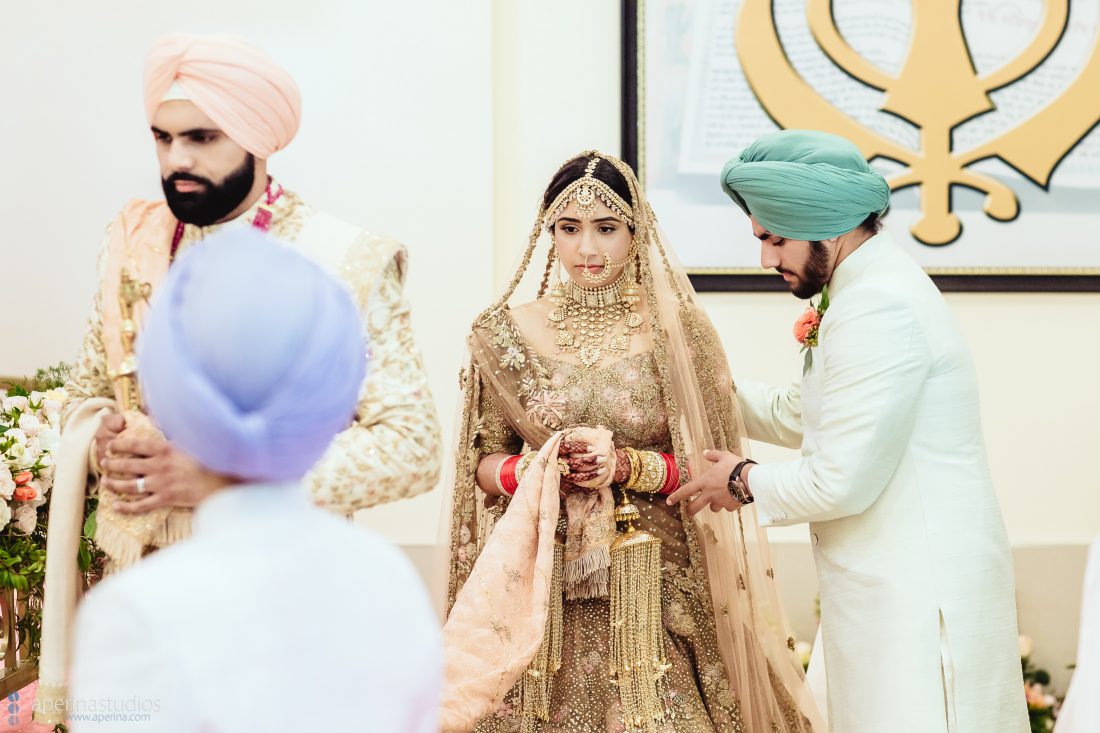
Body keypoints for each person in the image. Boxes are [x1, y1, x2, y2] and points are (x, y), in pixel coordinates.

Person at [36, 33, 440, 724]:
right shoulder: (132, 243)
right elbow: (86, 393)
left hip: (289, 590)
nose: (177, 160)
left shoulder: (341, 259)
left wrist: (218, 471)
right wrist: (103, 436)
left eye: (201, 136)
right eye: (162, 138)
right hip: (141, 578)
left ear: (257, 137)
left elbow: (413, 445)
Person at [439, 151, 824, 733]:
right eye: (569, 230)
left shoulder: (679, 333)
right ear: (549, 234)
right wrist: (542, 468)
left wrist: (623, 465)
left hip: (654, 582)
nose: (587, 249)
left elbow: (709, 463)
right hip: (539, 583)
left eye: (606, 228)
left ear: (635, 231)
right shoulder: (503, 334)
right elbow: (481, 465)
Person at [669, 129, 1027, 732]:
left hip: (917, 593)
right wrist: (692, 387)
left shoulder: (876, 306)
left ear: (825, 225)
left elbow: (840, 481)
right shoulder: (864, 290)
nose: (765, 259)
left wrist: (740, 479)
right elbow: (806, 413)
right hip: (887, 588)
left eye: (776, 239)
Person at [66, 230, 440, 732]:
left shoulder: (133, 614)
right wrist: (98, 442)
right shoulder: (391, 582)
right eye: (166, 142)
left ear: (172, 397)